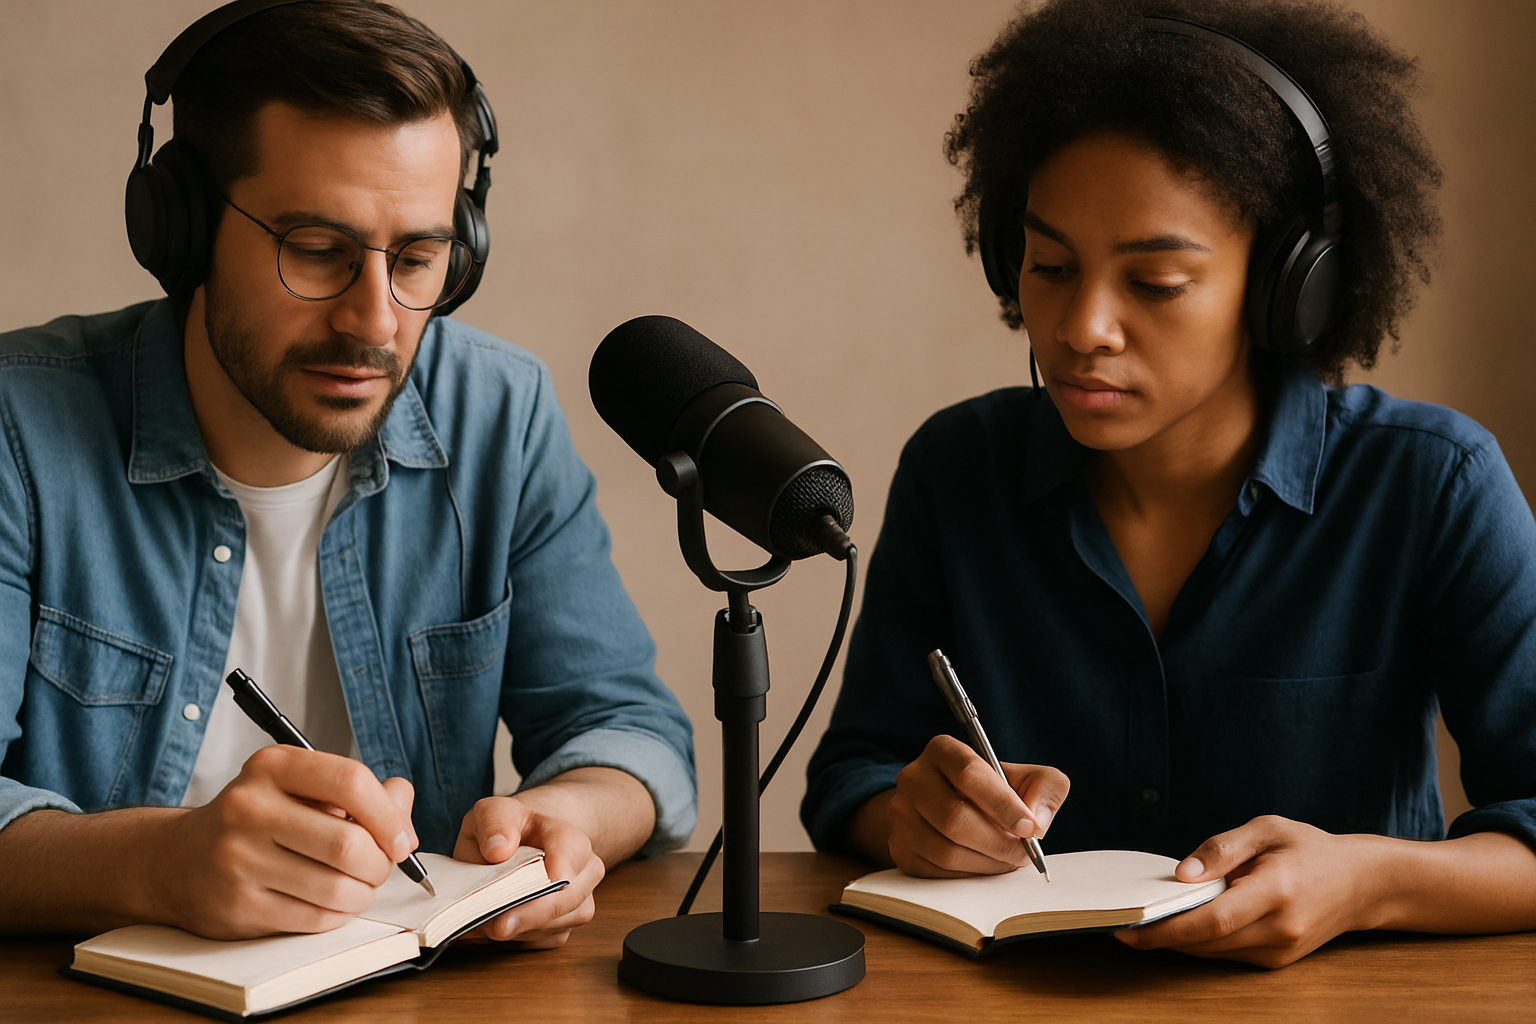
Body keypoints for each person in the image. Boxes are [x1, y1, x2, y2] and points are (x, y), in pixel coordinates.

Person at [802, 0, 1536, 968]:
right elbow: (852, 776)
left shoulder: (1432, 484)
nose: (1082, 327)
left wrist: (1366, 880)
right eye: (1050, 265)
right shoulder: (956, 469)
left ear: (1288, 287)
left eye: (1153, 284)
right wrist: (911, 817)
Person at [0, 0, 695, 946]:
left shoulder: (501, 415)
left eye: (417, 258)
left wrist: (564, 823)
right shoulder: (18, 427)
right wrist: (159, 866)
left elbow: (632, 731)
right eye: (317, 252)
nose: (375, 321)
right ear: (185, 227)